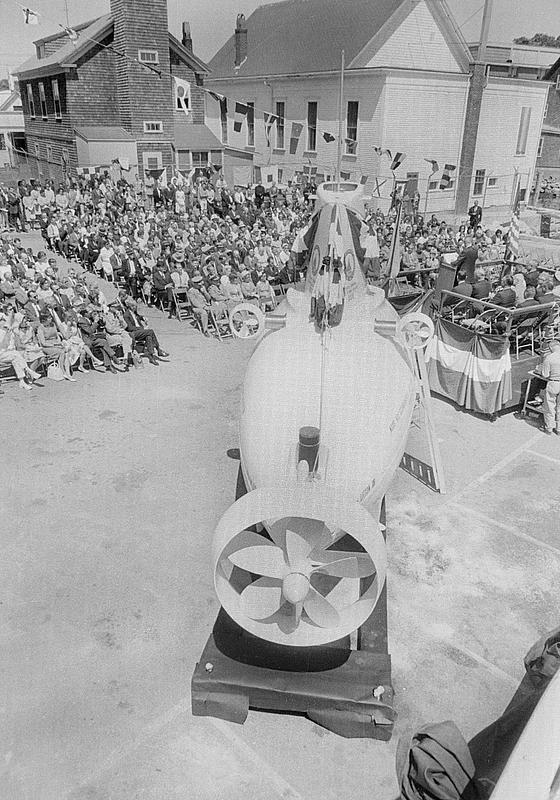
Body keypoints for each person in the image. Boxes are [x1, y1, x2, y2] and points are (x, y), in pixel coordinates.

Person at [535, 339, 560, 435]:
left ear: (550, 348)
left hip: (553, 383)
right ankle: (558, 429)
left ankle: (549, 428)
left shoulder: (549, 358)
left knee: (550, 406)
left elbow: (545, 375)